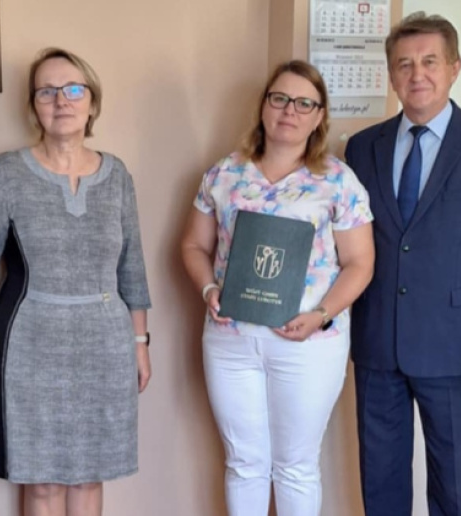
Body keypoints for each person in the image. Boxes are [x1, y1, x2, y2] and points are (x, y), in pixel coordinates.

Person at [344, 12, 461, 516]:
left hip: (456, 346)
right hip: (378, 340)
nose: (417, 74)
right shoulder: (362, 148)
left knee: (453, 484)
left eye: (430, 61)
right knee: (380, 478)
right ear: (391, 74)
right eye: (404, 64)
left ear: (454, 68)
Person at [0, 47, 152, 516]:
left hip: (106, 344)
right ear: (34, 106)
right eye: (47, 91)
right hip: (30, 344)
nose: (61, 100)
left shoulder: (117, 175)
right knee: (41, 480)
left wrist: (140, 344)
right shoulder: (6, 173)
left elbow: (132, 270)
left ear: (92, 101)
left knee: (89, 475)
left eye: (73, 89)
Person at [180, 60, 374, 516]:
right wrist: (208, 289)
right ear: (264, 106)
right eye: (280, 98)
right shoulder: (224, 174)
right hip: (231, 341)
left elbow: (360, 263)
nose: (290, 110)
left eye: (304, 103)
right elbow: (192, 246)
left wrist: (321, 314)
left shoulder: (338, 181)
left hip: (308, 344)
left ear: (319, 116)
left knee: (296, 467)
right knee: (243, 463)